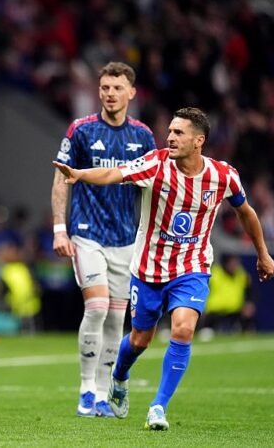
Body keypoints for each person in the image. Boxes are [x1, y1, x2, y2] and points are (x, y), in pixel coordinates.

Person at [53, 107, 274, 430]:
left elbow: (247, 213)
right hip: (148, 269)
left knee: (183, 329)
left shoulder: (223, 175)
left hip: (192, 266)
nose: (170, 137)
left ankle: (158, 407)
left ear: (199, 141)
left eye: (178, 133)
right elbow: (115, 173)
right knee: (141, 338)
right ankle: (119, 376)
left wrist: (263, 254)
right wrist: (79, 174)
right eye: (170, 131)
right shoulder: (155, 164)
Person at [51, 61, 156, 417]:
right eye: (105, 88)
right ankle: (84, 390)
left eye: (116, 88)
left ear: (131, 93)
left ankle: (101, 391)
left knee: (115, 320)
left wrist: (149, 234)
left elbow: (150, 186)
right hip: (87, 234)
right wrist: (59, 228)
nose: (110, 94)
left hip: (126, 238)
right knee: (95, 308)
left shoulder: (143, 136)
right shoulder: (81, 130)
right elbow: (61, 179)